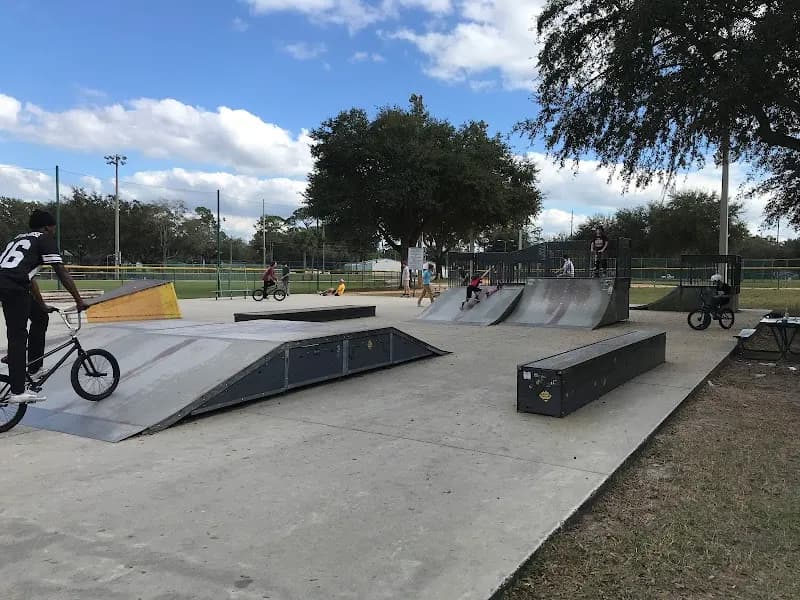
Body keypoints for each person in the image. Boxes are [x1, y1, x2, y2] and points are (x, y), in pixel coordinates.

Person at [0, 209, 87, 403]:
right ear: (48, 227)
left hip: (11, 283)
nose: (54, 231)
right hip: (12, 287)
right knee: (17, 336)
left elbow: (30, 278)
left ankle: (34, 368)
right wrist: (79, 300)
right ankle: (17, 391)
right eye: (54, 228)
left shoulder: (18, 238)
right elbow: (61, 272)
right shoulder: (44, 239)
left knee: (40, 316)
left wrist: (42, 304)